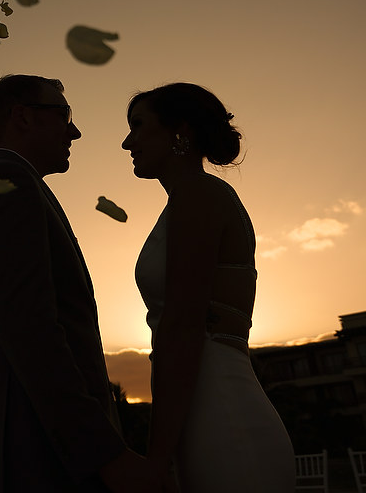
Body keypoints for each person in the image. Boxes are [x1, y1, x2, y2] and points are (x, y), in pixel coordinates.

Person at [0, 74, 162, 493]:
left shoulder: (13, 187)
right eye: (64, 114)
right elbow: (30, 331)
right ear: (23, 117)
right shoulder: (8, 186)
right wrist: (106, 455)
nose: (75, 130)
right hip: (33, 448)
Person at [123, 82, 295, 492]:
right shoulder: (187, 200)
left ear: (179, 131)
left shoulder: (199, 196)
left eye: (138, 125)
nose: (127, 141)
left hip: (225, 423)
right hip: (203, 415)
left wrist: (157, 460)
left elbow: (183, 328)